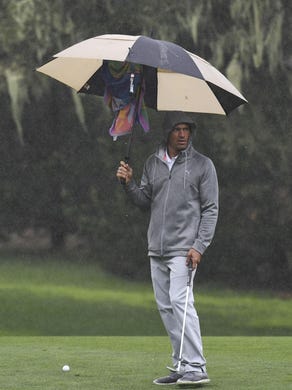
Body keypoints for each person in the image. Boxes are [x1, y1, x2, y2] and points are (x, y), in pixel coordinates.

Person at [116, 111, 219, 386]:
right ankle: (181, 364)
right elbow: (144, 199)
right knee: (166, 307)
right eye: (178, 129)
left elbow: (211, 210)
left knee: (180, 302)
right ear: (168, 132)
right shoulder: (153, 162)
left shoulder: (203, 165)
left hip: (184, 250)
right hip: (156, 249)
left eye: (187, 129)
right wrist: (128, 184)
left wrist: (199, 246)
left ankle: (196, 366)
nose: (183, 134)